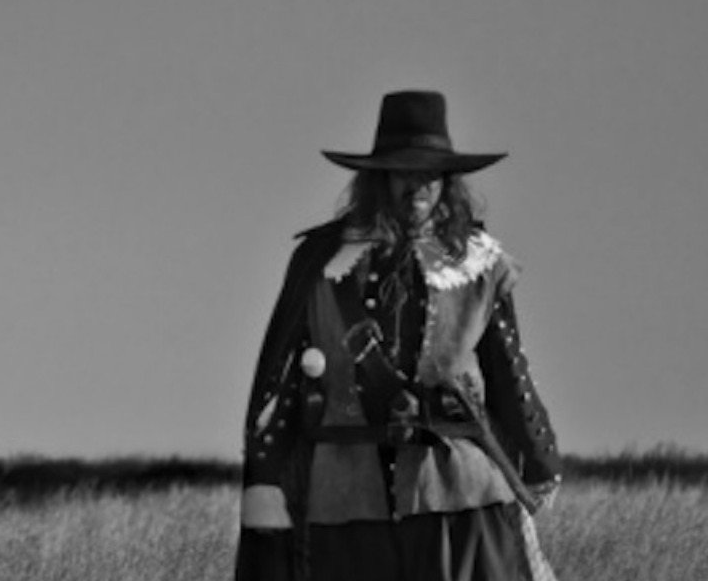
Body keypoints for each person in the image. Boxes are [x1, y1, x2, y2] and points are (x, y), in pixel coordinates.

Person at [235, 90, 562, 581]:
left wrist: (540, 461)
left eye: (429, 172)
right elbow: (279, 381)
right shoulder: (322, 261)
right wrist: (265, 480)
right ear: (380, 177)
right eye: (404, 170)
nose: (418, 185)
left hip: (459, 491)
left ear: (448, 180)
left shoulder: (479, 263)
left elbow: (507, 370)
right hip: (347, 498)